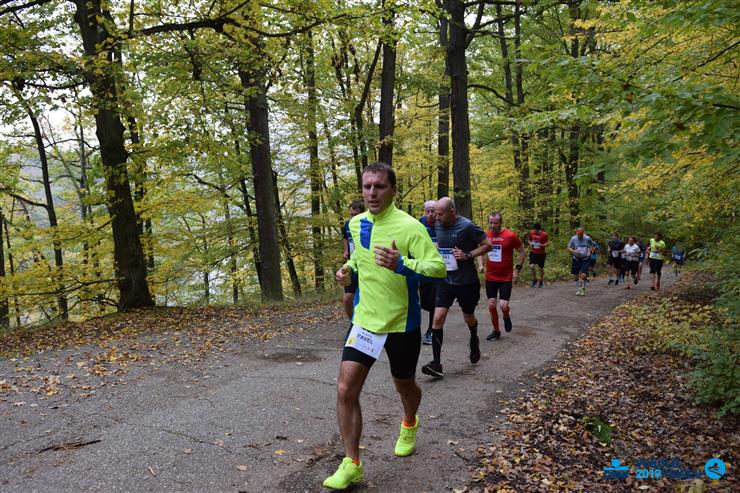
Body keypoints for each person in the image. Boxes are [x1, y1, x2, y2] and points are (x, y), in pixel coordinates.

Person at [329, 162, 445, 490]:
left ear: (393, 189)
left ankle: (409, 421)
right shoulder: (355, 224)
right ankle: (351, 463)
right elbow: (358, 258)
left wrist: (402, 264)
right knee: (345, 390)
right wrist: (347, 271)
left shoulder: (410, 227)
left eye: (379, 186)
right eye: (367, 186)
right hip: (365, 321)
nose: (372, 193)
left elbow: (437, 268)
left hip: (401, 323)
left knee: (404, 385)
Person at [420, 197, 491, 379]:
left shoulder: (467, 226)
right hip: (445, 280)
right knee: (438, 317)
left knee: (468, 317)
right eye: (435, 213)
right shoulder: (437, 224)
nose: (437, 217)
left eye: (440, 214)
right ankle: (436, 364)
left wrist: (468, 255)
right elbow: (438, 242)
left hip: (466, 281)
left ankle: (474, 336)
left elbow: (487, 245)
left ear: (452, 212)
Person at [483, 212, 525, 341]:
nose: (492, 225)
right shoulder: (486, 236)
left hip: (505, 277)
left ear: (501, 223)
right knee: (491, 305)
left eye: (495, 223)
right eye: (490, 223)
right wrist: (480, 265)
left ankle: (506, 315)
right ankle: (496, 331)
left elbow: (522, 251)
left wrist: (517, 270)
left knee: (503, 306)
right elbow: (480, 250)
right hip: (490, 276)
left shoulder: (510, 235)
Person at [341, 200, 365, 319]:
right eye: (351, 214)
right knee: (347, 299)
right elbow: (346, 238)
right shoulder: (347, 225)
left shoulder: (368, 225)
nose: (353, 217)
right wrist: (346, 251)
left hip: (365, 265)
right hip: (351, 266)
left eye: (356, 215)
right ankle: (353, 322)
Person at [419, 200, 438, 345]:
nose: (431, 214)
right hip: (423, 266)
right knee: (425, 302)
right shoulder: (420, 222)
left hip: (438, 268)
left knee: (434, 301)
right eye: (428, 211)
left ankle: (431, 330)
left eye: (433, 211)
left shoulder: (442, 223)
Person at [567, 227, 595, 296]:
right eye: (578, 234)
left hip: (585, 258)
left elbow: (592, 245)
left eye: (581, 234)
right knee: (575, 275)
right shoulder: (573, 238)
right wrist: (574, 251)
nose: (579, 236)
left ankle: (583, 289)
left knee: (584, 275)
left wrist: (590, 251)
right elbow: (568, 248)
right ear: (576, 233)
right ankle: (578, 288)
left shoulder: (587, 238)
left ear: (583, 233)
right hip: (576, 258)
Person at [527, 222, 549, 288]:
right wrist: (530, 243)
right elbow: (529, 240)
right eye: (535, 230)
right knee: (532, 266)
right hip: (533, 252)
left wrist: (541, 245)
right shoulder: (531, 232)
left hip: (541, 253)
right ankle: (535, 279)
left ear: (540, 229)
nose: (536, 231)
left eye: (537, 230)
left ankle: (541, 281)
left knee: (541, 268)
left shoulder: (544, 234)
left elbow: (547, 243)